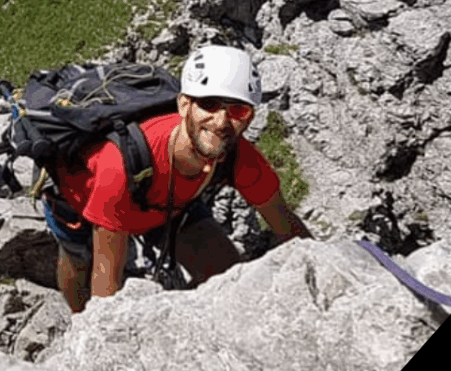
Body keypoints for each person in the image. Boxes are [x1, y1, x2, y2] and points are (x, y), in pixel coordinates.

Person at [40, 45, 313, 313]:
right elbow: (106, 292)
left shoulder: (239, 157)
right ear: (184, 105)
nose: (221, 122)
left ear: (250, 118)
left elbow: (289, 229)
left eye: (237, 111)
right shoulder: (120, 164)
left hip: (170, 202)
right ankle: (74, 322)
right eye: (208, 104)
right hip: (79, 196)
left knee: (228, 278)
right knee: (79, 262)